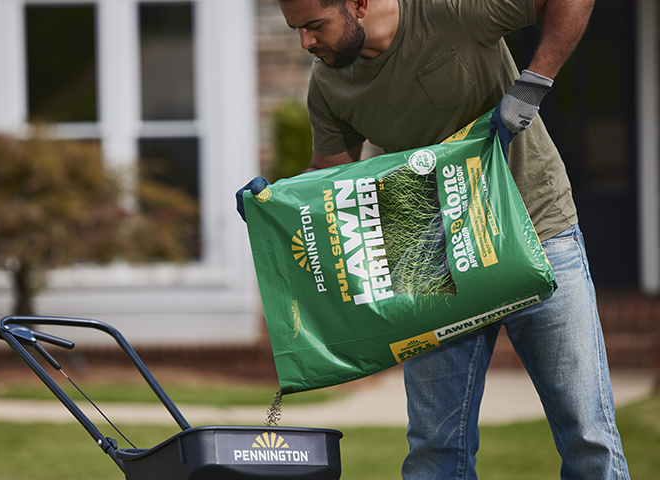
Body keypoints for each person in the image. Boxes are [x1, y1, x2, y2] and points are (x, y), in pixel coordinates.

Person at [237, 0, 631, 478]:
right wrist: (275, 206)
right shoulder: (329, 82)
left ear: (359, 5)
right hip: (430, 260)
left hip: (535, 228)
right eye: (297, 30)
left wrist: (532, 85)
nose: (305, 43)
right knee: (434, 451)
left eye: (314, 26)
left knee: (587, 435)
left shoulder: (449, 9)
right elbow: (332, 173)